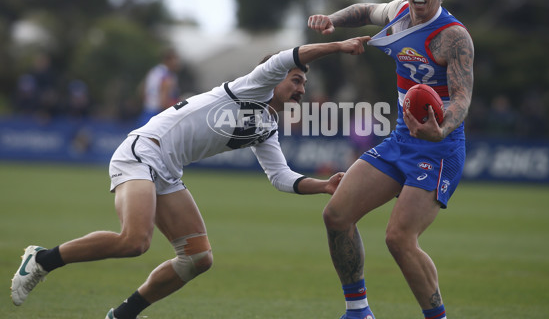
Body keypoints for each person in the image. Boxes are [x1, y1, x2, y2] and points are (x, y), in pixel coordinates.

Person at [10, 36, 371, 319]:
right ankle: (43, 260)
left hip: (167, 170)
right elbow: (289, 56)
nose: (301, 89)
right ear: (276, 77)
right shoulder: (253, 86)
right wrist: (339, 46)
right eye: (296, 80)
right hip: (143, 150)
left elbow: (280, 177)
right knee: (135, 241)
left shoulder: (267, 125)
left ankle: (123, 314)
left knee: (198, 259)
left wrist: (322, 185)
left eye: (303, 84)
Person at [308, 0, 474, 319]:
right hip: (401, 140)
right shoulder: (398, 12)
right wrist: (332, 20)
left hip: (440, 148)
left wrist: (441, 128)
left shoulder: (453, 37)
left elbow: (462, 100)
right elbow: (366, 11)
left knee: (399, 239)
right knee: (336, 215)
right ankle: (358, 311)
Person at [138, 47, 181, 126]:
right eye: (176, 59)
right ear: (168, 60)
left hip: (147, 109)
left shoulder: (154, 71)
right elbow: (164, 98)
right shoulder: (167, 75)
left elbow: (142, 89)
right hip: (158, 113)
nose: (177, 62)